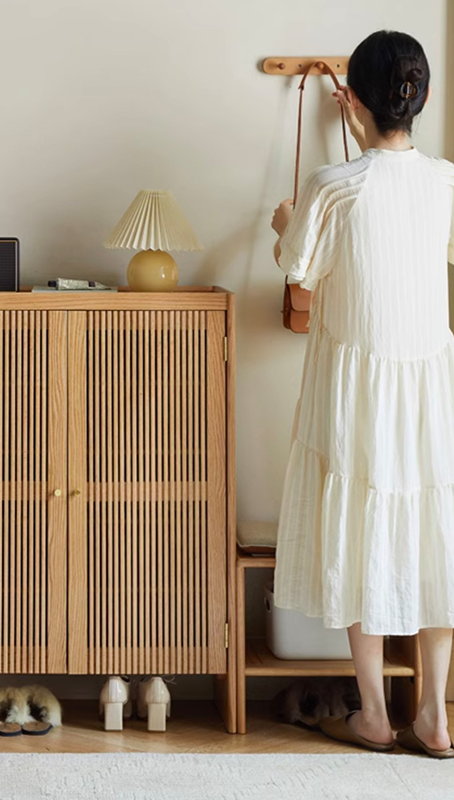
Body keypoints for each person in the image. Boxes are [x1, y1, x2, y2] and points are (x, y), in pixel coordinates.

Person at [270, 30, 454, 757]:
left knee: (362, 528)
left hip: (357, 386)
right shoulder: (446, 181)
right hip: (428, 384)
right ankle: (436, 715)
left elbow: (300, 271)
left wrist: (285, 223)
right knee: (433, 535)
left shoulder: (330, 186)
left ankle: (374, 712)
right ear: (424, 97)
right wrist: (366, 130)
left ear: (363, 98)